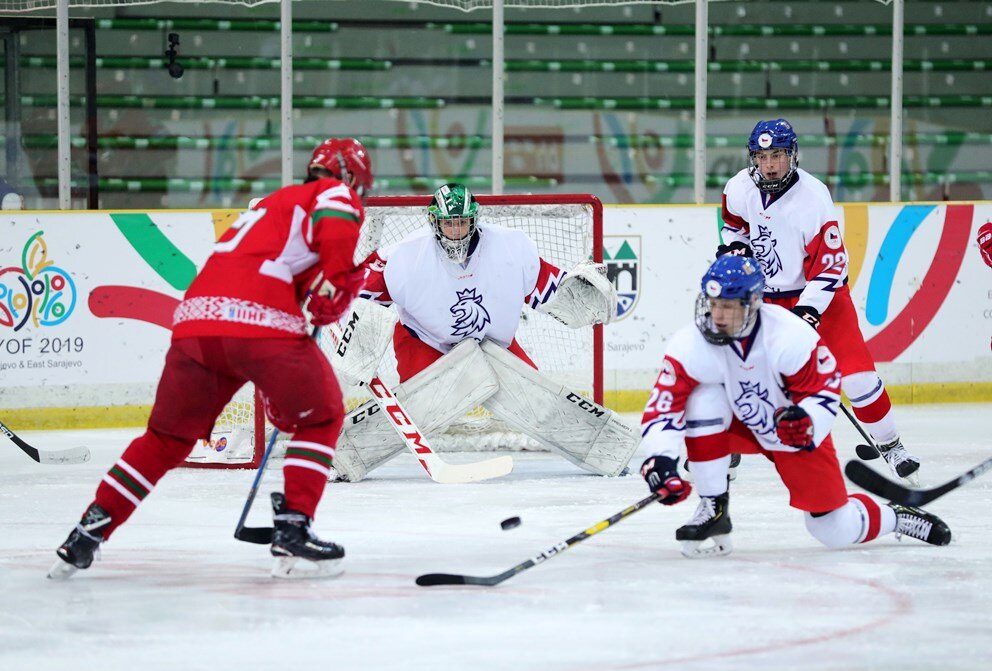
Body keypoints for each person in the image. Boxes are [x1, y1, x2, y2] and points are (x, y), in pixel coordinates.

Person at [48, 137, 374, 580]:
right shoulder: (334, 193)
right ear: (350, 176)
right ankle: (294, 525)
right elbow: (333, 237)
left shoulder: (273, 204)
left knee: (164, 439)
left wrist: (315, 302)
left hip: (196, 324)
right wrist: (339, 283)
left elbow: (268, 274)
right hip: (258, 325)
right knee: (322, 416)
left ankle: (87, 532)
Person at [638, 255, 950, 558]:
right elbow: (664, 407)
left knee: (833, 529)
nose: (718, 316)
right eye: (714, 304)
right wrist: (661, 460)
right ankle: (713, 506)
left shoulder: (791, 336)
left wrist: (807, 420)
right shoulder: (689, 344)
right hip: (737, 424)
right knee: (703, 400)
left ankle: (897, 517)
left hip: (791, 430)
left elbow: (825, 390)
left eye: (729, 307)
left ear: (752, 304)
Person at [331, 182, 636, 481]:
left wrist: (578, 295)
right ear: (434, 221)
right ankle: (342, 456)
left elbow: (549, 289)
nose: (456, 230)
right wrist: (353, 328)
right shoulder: (404, 257)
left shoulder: (510, 248)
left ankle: (607, 451)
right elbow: (358, 298)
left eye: (462, 222)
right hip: (426, 340)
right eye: (449, 223)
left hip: (493, 343)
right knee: (418, 410)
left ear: (475, 219)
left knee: (538, 402)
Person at [717, 118, 920, 482]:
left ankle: (891, 445)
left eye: (777, 154)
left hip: (823, 298)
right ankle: (728, 446)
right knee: (743, 373)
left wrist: (808, 311)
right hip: (765, 301)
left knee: (858, 380)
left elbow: (829, 266)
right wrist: (736, 248)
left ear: (792, 155)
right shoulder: (737, 188)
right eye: (762, 156)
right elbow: (734, 226)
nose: (770, 164)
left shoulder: (813, 196)